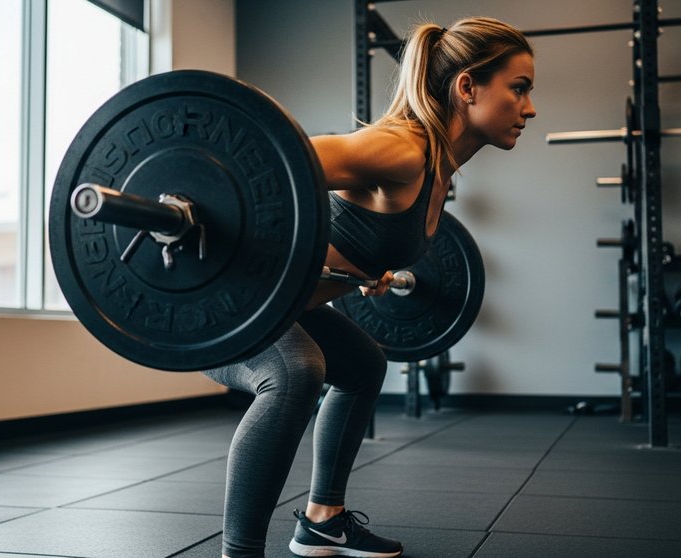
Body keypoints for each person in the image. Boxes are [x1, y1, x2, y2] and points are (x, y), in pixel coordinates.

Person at [203, 16, 536, 558]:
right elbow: (273, 164)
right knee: (296, 370)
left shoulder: (438, 171)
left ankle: (323, 521)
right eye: (518, 88)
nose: (530, 107)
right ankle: (238, 552)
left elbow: (352, 232)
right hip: (226, 302)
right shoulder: (403, 150)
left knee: (362, 366)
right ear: (468, 86)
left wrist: (365, 267)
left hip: (284, 305)